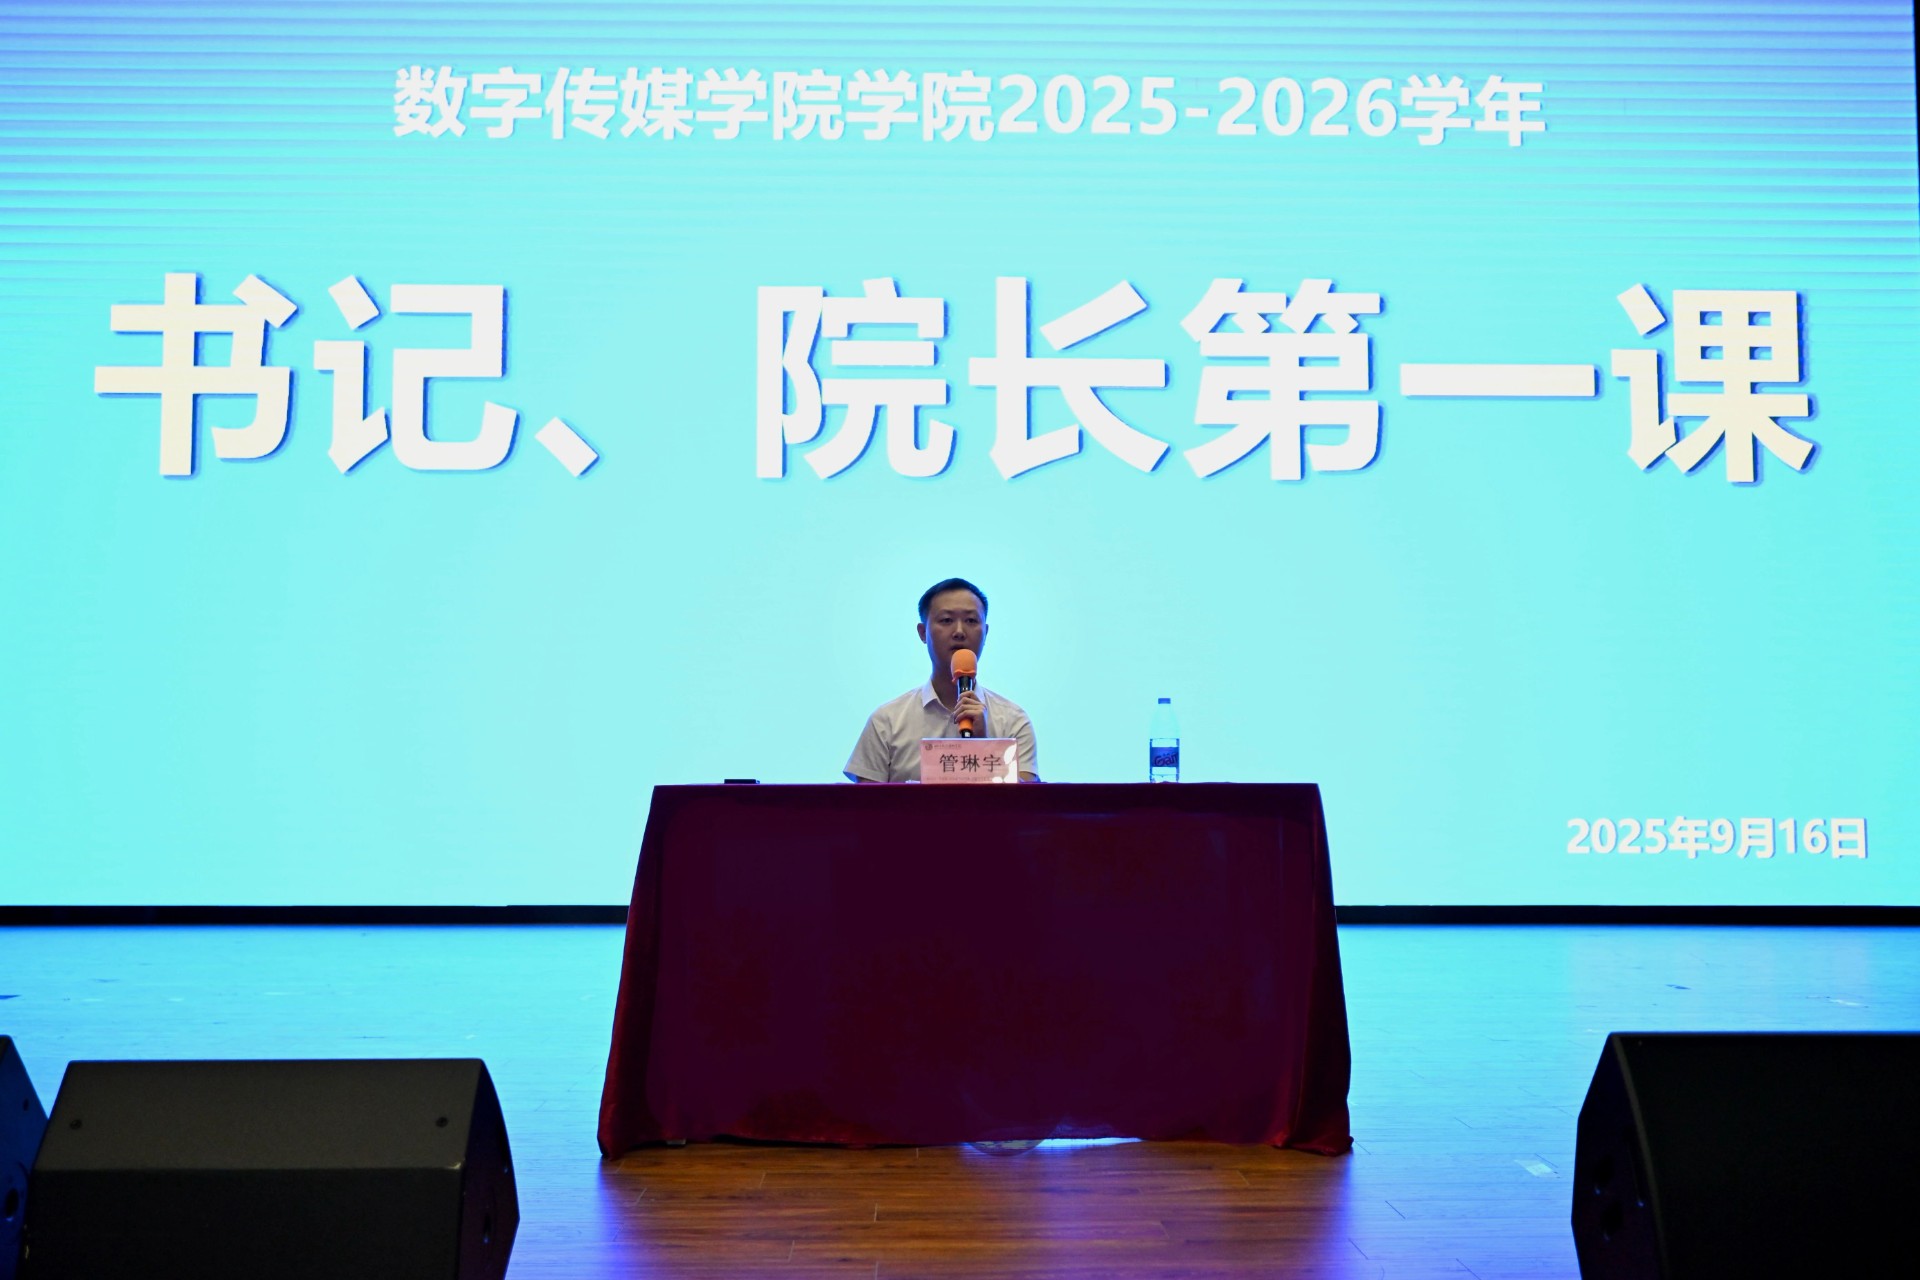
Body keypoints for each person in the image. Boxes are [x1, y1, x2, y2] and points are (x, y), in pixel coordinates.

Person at [844, 577, 1039, 783]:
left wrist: (985, 745)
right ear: (923, 633)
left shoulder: (1013, 722)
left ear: (986, 632)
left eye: (971, 621)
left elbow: (1027, 801)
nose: (959, 632)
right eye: (946, 620)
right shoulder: (887, 721)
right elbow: (867, 802)